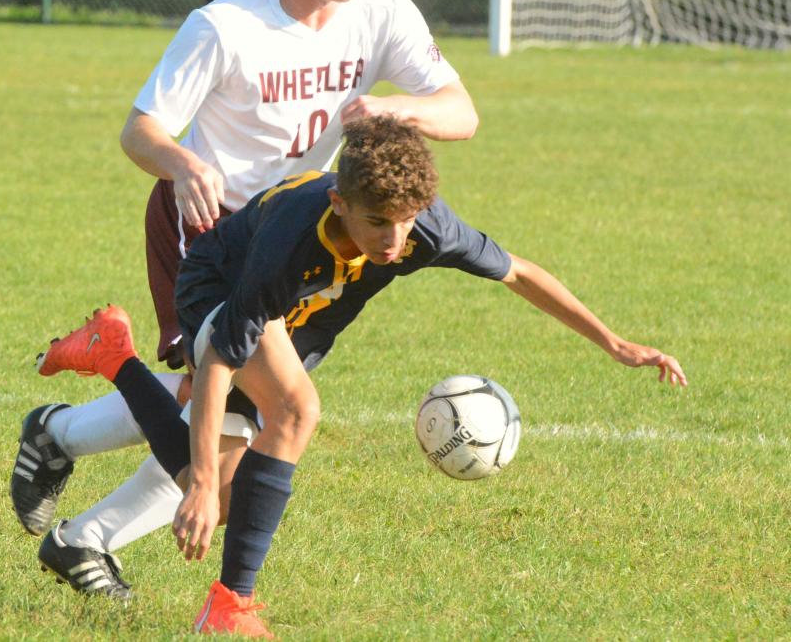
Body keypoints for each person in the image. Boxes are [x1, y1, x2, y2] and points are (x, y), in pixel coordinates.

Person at [35, 116, 687, 637]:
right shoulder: (290, 242)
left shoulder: (420, 225)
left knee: (225, 501)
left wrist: (615, 341)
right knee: (293, 412)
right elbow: (218, 365)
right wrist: (201, 480)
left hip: (305, 319)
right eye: (377, 222)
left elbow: (519, 272)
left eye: (406, 220)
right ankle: (231, 603)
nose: (394, 239)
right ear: (341, 202)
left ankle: (110, 353)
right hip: (222, 283)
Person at [10, 0, 479, 568]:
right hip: (203, 225)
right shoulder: (226, 25)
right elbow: (141, 129)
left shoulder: (382, 12)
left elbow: (461, 112)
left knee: (226, 428)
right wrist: (183, 160)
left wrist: (396, 104)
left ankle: (69, 472)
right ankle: (80, 496)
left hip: (292, 237)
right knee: (223, 422)